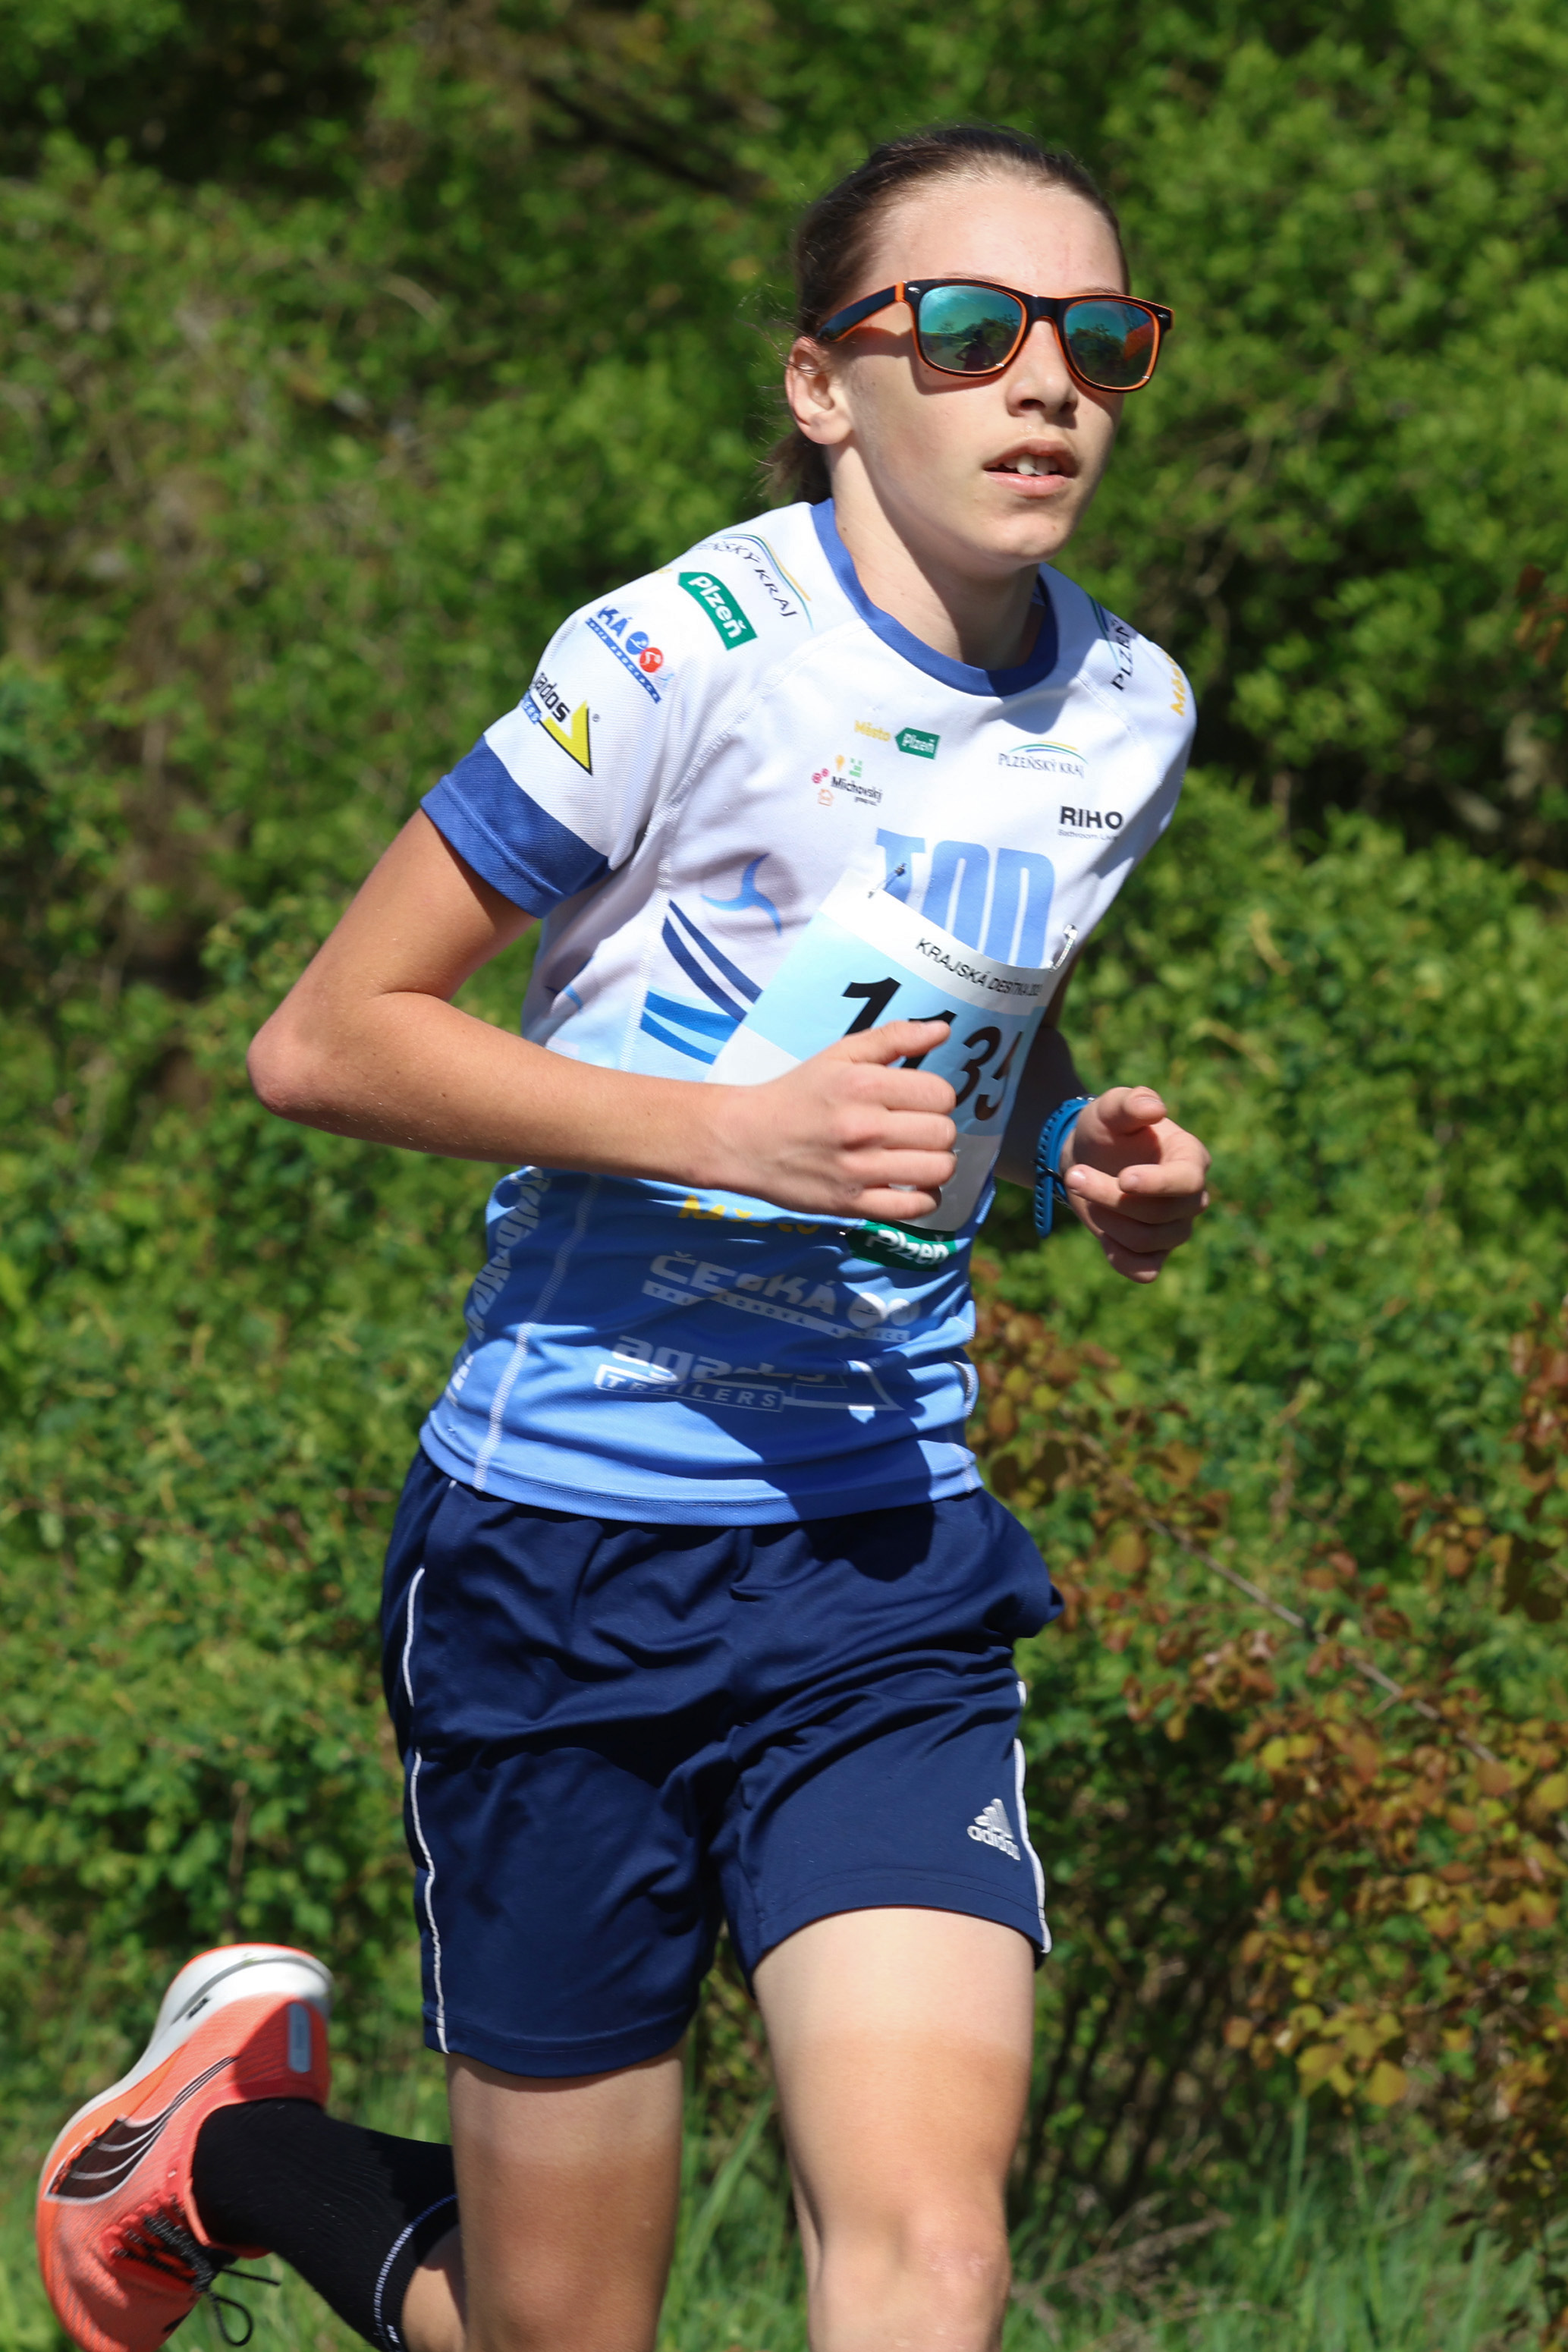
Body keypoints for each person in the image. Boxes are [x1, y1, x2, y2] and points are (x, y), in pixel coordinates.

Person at [38, 122, 1209, 2352]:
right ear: (821, 382)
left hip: (879, 1559)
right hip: (561, 1554)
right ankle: (223, 2153)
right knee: (557, 2328)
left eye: (1099, 338)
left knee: (934, 2253)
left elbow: (958, 1033)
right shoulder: (682, 653)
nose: (1045, 381)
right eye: (971, 330)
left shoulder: (1122, 707)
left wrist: (1067, 1147)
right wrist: (728, 1138)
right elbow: (325, 1038)